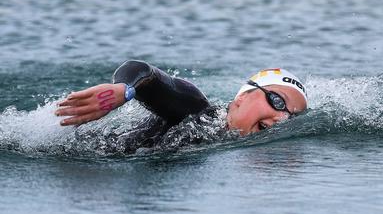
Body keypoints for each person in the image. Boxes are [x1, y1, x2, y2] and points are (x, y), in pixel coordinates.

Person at [55, 60, 307, 142]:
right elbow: (142, 71)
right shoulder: (195, 108)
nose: (283, 117)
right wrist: (123, 90)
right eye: (277, 101)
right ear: (242, 97)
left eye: (292, 117)